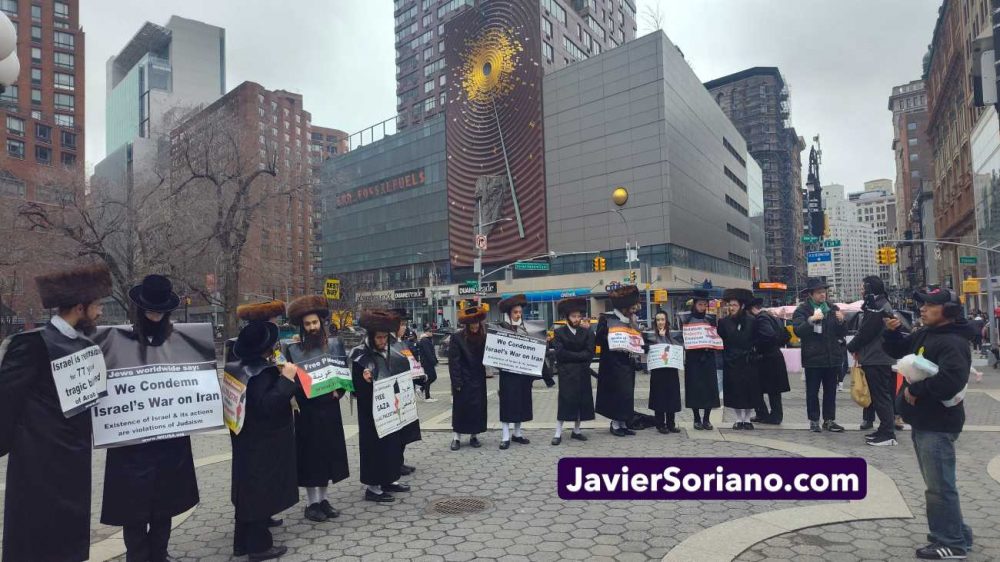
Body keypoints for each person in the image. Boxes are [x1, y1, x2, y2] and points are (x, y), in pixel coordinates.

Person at [0, 264, 111, 562]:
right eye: (97, 306)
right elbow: (6, 399)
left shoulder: (84, 345)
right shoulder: (32, 344)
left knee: (68, 536)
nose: (100, 312)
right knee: (36, 536)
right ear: (80, 308)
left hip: (73, 460)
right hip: (36, 463)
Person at [100, 275, 199, 562]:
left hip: (168, 439)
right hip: (131, 443)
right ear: (140, 309)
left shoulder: (178, 342)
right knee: (133, 510)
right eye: (150, 310)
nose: (155, 315)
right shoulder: (119, 341)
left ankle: (159, 553)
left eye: (160, 311)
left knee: (164, 505)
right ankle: (137, 557)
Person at [883, 288, 974, 560]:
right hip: (924, 420)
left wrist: (916, 390)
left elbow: (951, 380)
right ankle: (960, 533)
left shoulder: (953, 342)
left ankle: (951, 543)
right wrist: (891, 332)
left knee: (939, 488)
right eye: (922, 304)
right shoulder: (926, 333)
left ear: (949, 310)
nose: (922, 309)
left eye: (930, 305)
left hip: (938, 423)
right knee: (938, 485)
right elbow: (898, 350)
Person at [227, 320, 299, 561]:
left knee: (247, 488)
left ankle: (241, 542)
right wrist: (286, 379)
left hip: (245, 439)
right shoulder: (260, 374)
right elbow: (268, 405)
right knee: (259, 490)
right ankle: (259, 546)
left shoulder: (238, 368)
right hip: (263, 442)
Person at [284, 295, 350, 523]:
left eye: (315, 322)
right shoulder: (293, 350)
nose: (312, 327)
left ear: (321, 323)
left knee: (328, 455)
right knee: (311, 458)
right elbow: (289, 382)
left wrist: (339, 391)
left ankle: (324, 500)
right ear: (302, 326)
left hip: (330, 410)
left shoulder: (333, 346)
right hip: (307, 413)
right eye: (307, 324)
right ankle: (311, 503)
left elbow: (343, 373)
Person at [350, 310, 410, 502]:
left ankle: (389, 480)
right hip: (371, 413)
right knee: (374, 448)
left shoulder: (391, 351)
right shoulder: (359, 355)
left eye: (385, 337)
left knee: (391, 445)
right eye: (379, 338)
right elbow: (355, 388)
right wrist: (366, 380)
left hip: (391, 409)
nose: (383, 341)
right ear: (371, 336)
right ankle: (373, 488)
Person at [847, 276, 898, 447]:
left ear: (870, 288)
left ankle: (888, 433)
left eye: (863, 287)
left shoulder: (877, 306)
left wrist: (851, 346)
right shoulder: (877, 304)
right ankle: (884, 429)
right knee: (878, 396)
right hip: (876, 356)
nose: (861, 290)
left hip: (877, 357)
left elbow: (867, 331)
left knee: (881, 396)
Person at [792, 278, 847, 433]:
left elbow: (842, 332)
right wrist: (810, 321)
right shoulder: (802, 310)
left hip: (832, 358)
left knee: (831, 392)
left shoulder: (832, 308)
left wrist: (842, 321)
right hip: (813, 359)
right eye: (819, 292)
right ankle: (814, 420)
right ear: (811, 294)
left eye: (824, 292)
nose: (823, 295)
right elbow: (798, 331)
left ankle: (829, 420)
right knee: (812, 392)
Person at [596, 285, 642, 436]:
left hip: (627, 363)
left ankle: (623, 423)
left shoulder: (631, 321)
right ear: (624, 307)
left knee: (627, 394)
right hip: (612, 364)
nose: (634, 309)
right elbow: (598, 340)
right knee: (617, 394)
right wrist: (611, 337)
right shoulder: (607, 319)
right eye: (632, 307)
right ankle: (615, 424)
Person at [550, 297, 596, 444]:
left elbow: (590, 353)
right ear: (567, 317)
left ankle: (576, 430)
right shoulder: (559, 332)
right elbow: (560, 353)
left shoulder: (587, 332)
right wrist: (579, 356)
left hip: (582, 373)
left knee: (581, 401)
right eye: (573, 316)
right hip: (566, 374)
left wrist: (573, 357)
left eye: (578, 316)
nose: (577, 319)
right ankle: (558, 433)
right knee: (565, 402)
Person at [717, 289, 761, 430]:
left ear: (741, 306)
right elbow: (722, 338)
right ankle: (738, 419)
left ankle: (747, 419)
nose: (731, 308)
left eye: (734, 305)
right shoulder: (724, 322)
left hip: (748, 361)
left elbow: (756, 339)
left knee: (749, 391)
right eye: (730, 305)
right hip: (732, 361)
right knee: (734, 391)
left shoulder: (752, 321)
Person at [496, 294, 534, 449]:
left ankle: (517, 434)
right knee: (507, 404)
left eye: (520, 312)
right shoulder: (500, 328)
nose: (518, 315)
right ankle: (505, 436)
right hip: (507, 374)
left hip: (523, 375)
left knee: (521, 403)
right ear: (509, 313)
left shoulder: (527, 329)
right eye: (515, 312)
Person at [449, 305, 489, 450]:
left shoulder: (484, 337)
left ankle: (474, 436)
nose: (475, 326)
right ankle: (456, 438)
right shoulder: (457, 338)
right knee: (460, 409)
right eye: (472, 323)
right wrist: (456, 382)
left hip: (478, 379)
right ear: (466, 324)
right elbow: (454, 362)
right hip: (463, 380)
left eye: (476, 323)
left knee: (477, 409)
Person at [683, 289, 720, 430]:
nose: (702, 307)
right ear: (694, 304)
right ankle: (696, 418)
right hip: (693, 358)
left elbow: (716, 337)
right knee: (694, 388)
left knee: (709, 388)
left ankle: (707, 419)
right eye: (700, 304)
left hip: (708, 357)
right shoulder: (686, 319)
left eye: (705, 305)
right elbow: (682, 338)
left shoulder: (711, 319)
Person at [389, 315, 422, 474]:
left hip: (406, 391)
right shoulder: (390, 344)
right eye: (401, 324)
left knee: (405, 429)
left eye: (404, 324)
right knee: (397, 430)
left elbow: (411, 363)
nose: (404, 327)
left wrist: (419, 373)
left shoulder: (401, 343)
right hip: (395, 393)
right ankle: (395, 463)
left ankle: (399, 461)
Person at [749, 298, 790, 424]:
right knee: (774, 390)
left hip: (766, 358)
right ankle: (774, 415)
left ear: (752, 309)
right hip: (775, 356)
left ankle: (765, 414)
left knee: (756, 388)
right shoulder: (773, 317)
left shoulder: (761, 318)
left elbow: (769, 335)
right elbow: (786, 336)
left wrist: (756, 345)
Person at [645, 310, 681, 434]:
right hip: (658, 371)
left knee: (672, 396)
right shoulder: (650, 335)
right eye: (658, 320)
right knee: (659, 397)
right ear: (655, 322)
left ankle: (671, 424)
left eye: (662, 319)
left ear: (666, 321)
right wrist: (658, 338)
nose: (660, 322)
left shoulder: (673, 335)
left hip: (671, 370)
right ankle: (660, 424)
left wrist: (665, 337)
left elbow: (679, 347)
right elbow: (645, 349)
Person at [416, 328, 439, 402]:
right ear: (426, 332)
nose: (432, 333)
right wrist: (433, 361)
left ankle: (422, 389)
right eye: (430, 331)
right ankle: (427, 397)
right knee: (431, 377)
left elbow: (432, 352)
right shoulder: (424, 340)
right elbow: (428, 352)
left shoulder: (427, 339)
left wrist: (435, 360)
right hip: (427, 363)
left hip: (428, 362)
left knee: (432, 377)